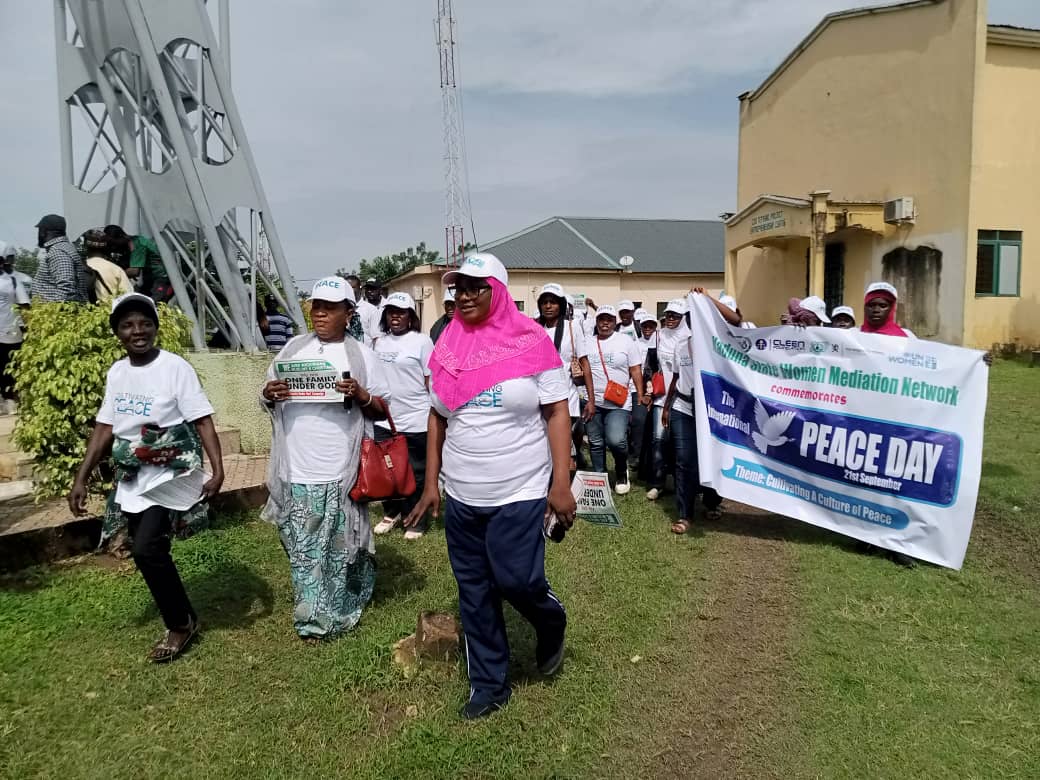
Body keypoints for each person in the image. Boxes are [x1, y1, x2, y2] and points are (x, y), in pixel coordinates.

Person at [404, 253, 574, 720]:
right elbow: (438, 415)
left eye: (477, 287)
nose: (465, 296)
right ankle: (489, 685)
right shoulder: (449, 345)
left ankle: (550, 620)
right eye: (459, 288)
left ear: (498, 291)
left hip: (520, 488)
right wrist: (432, 482)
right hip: (463, 493)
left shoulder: (532, 340)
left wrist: (561, 482)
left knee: (517, 580)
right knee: (474, 591)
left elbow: (557, 410)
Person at [68, 293, 224, 662]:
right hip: (133, 473)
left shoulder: (174, 368)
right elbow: (106, 427)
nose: (137, 331)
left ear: (155, 327)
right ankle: (183, 616)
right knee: (149, 549)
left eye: (144, 322)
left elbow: (202, 419)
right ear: (117, 332)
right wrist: (81, 476)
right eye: (127, 325)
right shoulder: (118, 372)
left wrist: (218, 469)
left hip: (168, 470)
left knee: (146, 548)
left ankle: (180, 625)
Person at [261, 276, 391, 640]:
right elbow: (267, 393)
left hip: (341, 472)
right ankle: (311, 615)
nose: (320, 313)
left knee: (338, 551)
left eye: (330, 307)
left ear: (348, 313)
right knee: (302, 548)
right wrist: (269, 392)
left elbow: (383, 409)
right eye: (316, 306)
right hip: (296, 469)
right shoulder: (291, 351)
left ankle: (334, 610)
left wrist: (362, 395)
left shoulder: (363, 356)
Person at [661, 289, 742, 533]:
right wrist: (667, 406)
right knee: (684, 460)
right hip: (683, 407)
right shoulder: (681, 346)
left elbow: (736, 321)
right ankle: (685, 514)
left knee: (711, 456)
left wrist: (707, 298)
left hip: (711, 410)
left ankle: (712, 501)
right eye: (691, 317)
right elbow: (676, 378)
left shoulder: (720, 345)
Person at [371, 291, 435, 539]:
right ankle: (392, 511)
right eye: (391, 312)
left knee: (415, 471)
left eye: (401, 312)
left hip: (415, 417)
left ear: (410, 316)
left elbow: (430, 379)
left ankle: (416, 518)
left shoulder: (421, 342)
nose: (395, 316)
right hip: (383, 418)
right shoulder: (377, 342)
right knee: (387, 470)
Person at [586, 304, 647, 494]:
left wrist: (640, 393)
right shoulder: (588, 342)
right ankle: (599, 479)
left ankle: (621, 471)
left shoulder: (626, 342)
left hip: (618, 402)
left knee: (616, 440)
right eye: (601, 319)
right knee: (595, 442)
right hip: (593, 401)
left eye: (609, 319)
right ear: (596, 322)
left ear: (615, 322)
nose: (605, 323)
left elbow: (635, 369)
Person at [536, 283, 595, 470]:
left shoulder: (572, 327)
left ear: (561, 305)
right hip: (537, 397)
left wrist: (591, 400)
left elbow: (584, 363)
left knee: (565, 451)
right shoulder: (534, 328)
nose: (548, 306)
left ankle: (565, 491)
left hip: (565, 397)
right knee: (542, 449)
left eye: (552, 302)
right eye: (544, 302)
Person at [645, 300, 690, 500]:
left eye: (675, 316)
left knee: (680, 443)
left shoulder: (689, 338)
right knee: (658, 439)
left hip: (682, 398)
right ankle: (657, 482)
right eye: (668, 315)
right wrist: (649, 386)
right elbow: (649, 365)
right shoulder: (657, 336)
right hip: (661, 396)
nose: (670, 319)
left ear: (683, 318)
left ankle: (685, 484)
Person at [33, 214, 92, 303]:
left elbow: (67, 289)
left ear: (43, 231)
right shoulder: (64, 248)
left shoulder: (58, 251)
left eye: (39, 230)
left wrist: (51, 313)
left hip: (56, 315)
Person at [104, 226, 172, 303]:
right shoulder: (127, 245)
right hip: (148, 278)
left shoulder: (138, 243)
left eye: (114, 243)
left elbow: (134, 271)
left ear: (121, 237)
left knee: (152, 303)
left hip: (161, 278)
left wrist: (112, 274)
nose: (113, 247)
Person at [0, 256, 30, 414]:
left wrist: (27, 327)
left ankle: (10, 401)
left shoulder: (13, 281)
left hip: (9, 331)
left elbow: (24, 304)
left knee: (8, 367)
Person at [81, 229, 132, 301]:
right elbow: (128, 296)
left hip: (85, 311)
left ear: (86, 248)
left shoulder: (80, 267)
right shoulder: (116, 269)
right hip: (109, 310)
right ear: (106, 248)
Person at [356, 277, 385, 346]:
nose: (369, 291)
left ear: (380, 291)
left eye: (372, 289)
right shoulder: (358, 307)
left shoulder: (388, 306)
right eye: (367, 289)